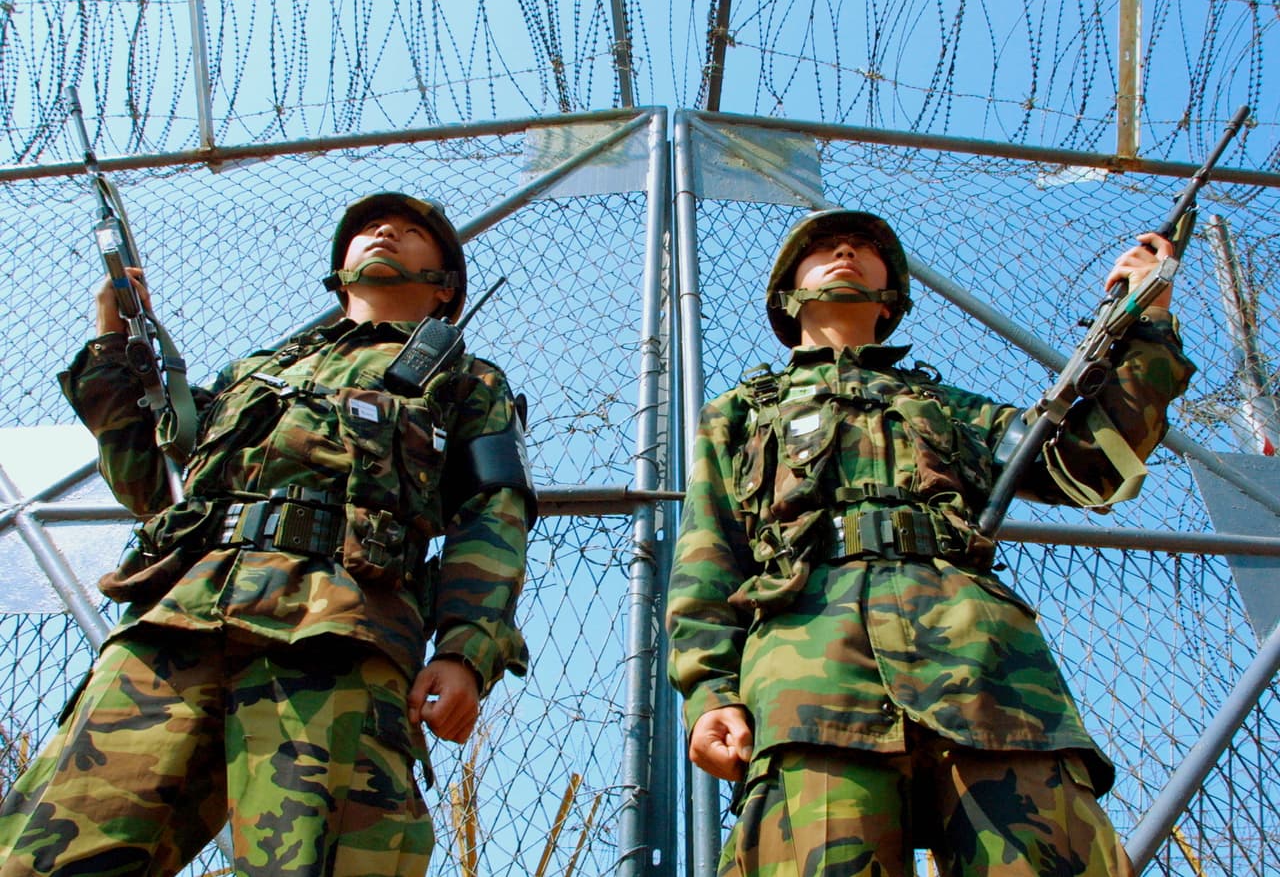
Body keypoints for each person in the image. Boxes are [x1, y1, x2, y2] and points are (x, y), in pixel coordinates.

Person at [0, 192, 535, 876]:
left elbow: (492, 513)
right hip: (176, 625)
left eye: (409, 231)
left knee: (314, 863)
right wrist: (113, 340)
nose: (383, 232)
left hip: (337, 632)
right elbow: (148, 487)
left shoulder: (467, 380)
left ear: (444, 286)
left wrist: (465, 650)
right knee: (51, 853)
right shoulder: (251, 373)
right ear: (339, 269)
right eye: (370, 226)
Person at [665, 208, 1195, 876]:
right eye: (823, 247)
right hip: (808, 679)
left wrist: (1148, 320)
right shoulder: (742, 412)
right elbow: (708, 556)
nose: (845, 252)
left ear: (890, 297)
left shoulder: (953, 408)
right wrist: (710, 692)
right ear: (787, 290)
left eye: (862, 247)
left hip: (987, 672)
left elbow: (1089, 465)